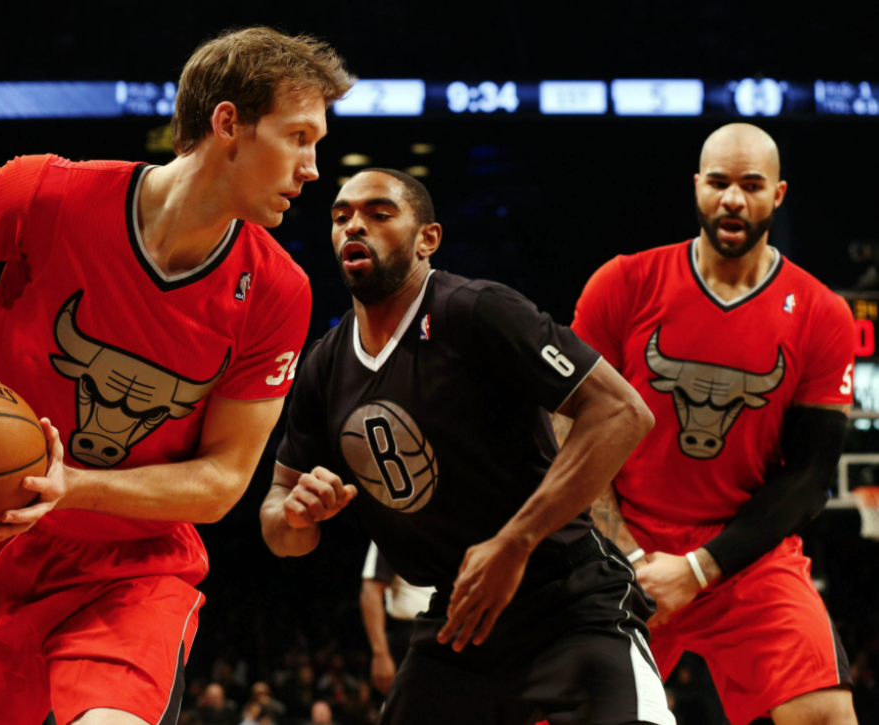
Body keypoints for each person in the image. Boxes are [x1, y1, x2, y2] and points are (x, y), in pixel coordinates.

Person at [0, 27, 353, 725]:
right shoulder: (53, 194)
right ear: (228, 123)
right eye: (298, 136)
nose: (312, 166)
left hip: (133, 569)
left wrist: (74, 486)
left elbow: (222, 482)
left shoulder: (279, 289)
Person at [260, 169, 673, 724]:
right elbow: (281, 526)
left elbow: (623, 412)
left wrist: (515, 542)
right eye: (341, 216)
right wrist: (294, 516)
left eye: (380, 213)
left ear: (427, 238)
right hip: (459, 616)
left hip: (568, 597)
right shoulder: (323, 365)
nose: (355, 224)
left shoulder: (476, 310)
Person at [571, 123, 858, 725]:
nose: (733, 198)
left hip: (745, 552)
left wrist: (701, 567)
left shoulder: (821, 313)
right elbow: (567, 429)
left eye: (751, 185)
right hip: (623, 544)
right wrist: (624, 550)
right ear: (697, 188)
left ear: (777, 196)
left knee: (826, 715)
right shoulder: (623, 283)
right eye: (720, 183)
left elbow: (809, 477)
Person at [359, 541, 434, 695]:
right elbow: (371, 590)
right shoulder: (393, 524)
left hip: (460, 632)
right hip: (414, 636)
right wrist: (380, 654)